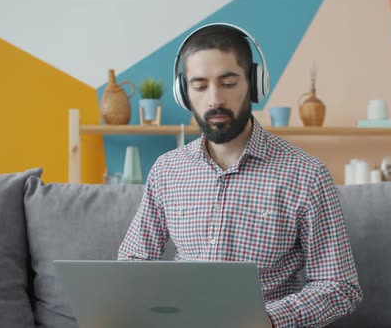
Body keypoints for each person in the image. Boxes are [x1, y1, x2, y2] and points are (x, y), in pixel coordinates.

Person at [118, 23, 363, 327]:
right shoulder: (167, 170)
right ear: (184, 93)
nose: (214, 100)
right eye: (200, 86)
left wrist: (265, 320)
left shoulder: (307, 175)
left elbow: (339, 287)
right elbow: (133, 262)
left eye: (228, 83)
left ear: (254, 83)